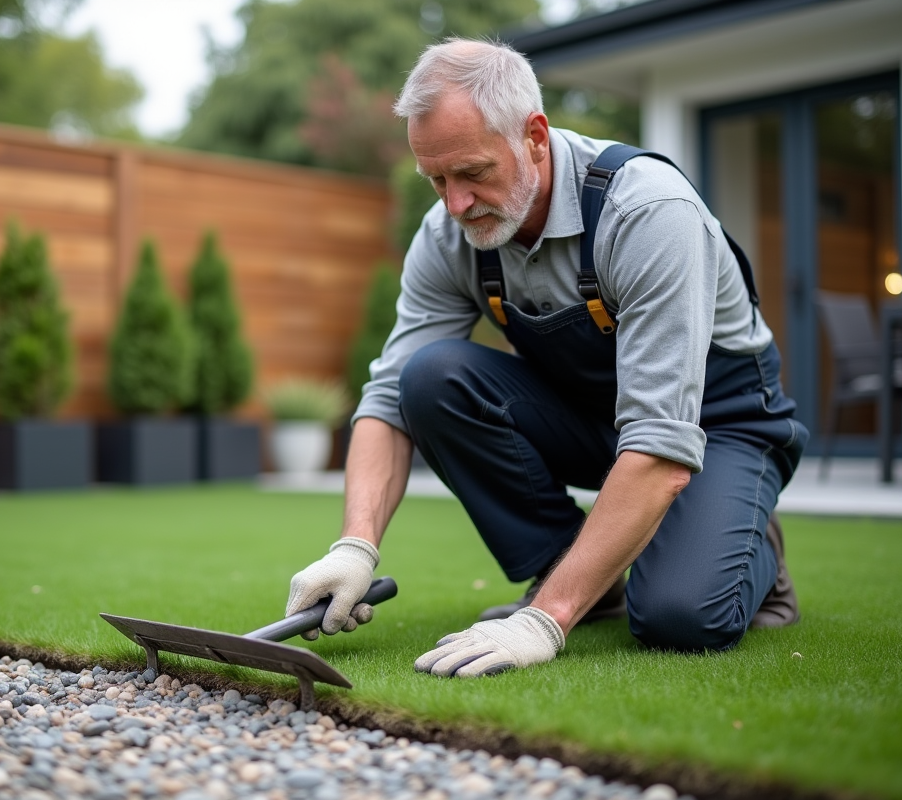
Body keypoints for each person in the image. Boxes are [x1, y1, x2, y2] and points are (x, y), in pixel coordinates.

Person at [286, 38, 808, 678]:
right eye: (437, 179)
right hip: (596, 418)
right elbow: (390, 398)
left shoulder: (648, 213)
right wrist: (355, 546)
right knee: (429, 379)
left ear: (534, 136)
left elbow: (660, 441)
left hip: (716, 426)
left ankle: (747, 534)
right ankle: (587, 582)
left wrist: (544, 619)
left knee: (680, 617)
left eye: (473, 172)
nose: (455, 203)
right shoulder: (449, 234)